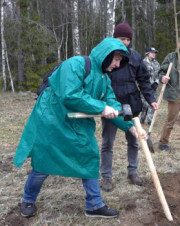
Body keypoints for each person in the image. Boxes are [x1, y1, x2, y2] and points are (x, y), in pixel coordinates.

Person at [13, 37, 145, 218]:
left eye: (120, 61)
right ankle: (28, 199)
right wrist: (101, 107)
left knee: (89, 155)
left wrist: (130, 128)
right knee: (45, 160)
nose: (117, 64)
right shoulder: (76, 64)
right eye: (116, 59)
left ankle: (94, 205)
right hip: (53, 118)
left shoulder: (104, 79)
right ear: (105, 55)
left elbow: (112, 104)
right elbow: (70, 94)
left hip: (78, 121)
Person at [100, 22, 158, 192]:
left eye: (127, 39)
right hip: (111, 105)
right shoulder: (107, 56)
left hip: (131, 103)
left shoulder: (135, 57)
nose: (124, 42)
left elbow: (144, 80)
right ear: (114, 38)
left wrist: (150, 98)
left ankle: (133, 171)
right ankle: (106, 176)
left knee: (134, 139)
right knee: (107, 143)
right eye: (121, 38)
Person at [140, 47, 160, 125]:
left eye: (154, 53)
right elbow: (140, 75)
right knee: (144, 104)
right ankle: (142, 118)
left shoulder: (156, 63)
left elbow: (158, 75)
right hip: (145, 86)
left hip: (154, 87)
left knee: (153, 102)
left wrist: (156, 82)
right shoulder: (142, 63)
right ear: (147, 54)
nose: (153, 54)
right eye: (152, 53)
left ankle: (150, 120)